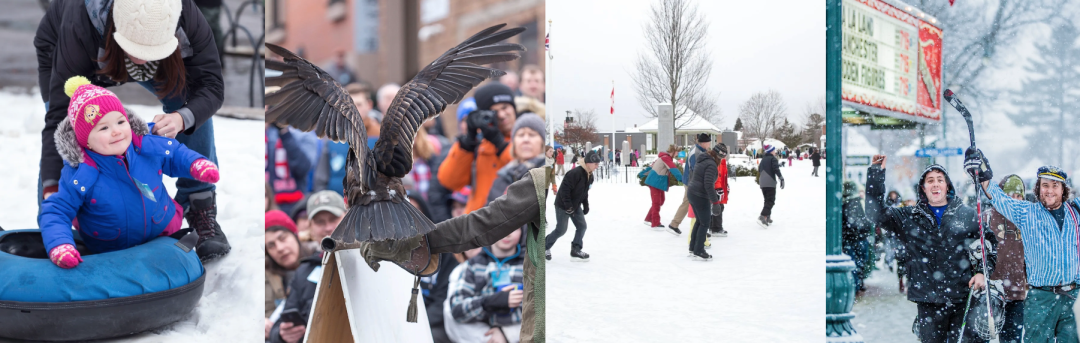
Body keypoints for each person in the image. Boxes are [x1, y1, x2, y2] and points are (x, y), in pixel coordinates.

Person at [35, 0, 229, 261]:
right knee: (73, 134)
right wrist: (51, 184)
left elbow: (210, 85)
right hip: (81, 52)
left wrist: (182, 119)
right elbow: (59, 118)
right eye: (139, 49)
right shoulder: (80, 24)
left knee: (190, 102)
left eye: (152, 49)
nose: (144, 57)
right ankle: (57, 234)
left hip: (158, 54)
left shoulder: (184, 14)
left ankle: (199, 205)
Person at [39, 77, 219, 269]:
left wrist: (196, 164)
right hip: (110, 251)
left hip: (163, 233)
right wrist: (60, 244)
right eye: (104, 127)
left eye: (120, 121)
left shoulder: (146, 145)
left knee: (178, 260)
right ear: (86, 141)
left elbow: (174, 153)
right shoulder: (81, 173)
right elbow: (57, 210)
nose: (116, 131)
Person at [865, 154, 992, 343]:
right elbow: (876, 213)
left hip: (963, 299)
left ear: (947, 186)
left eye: (940, 180)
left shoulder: (967, 215)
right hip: (928, 303)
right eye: (930, 180)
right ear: (923, 188)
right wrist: (876, 172)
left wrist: (982, 272)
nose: (935, 184)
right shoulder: (909, 217)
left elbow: (988, 243)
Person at [968, 150, 1080, 343]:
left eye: (1055, 186)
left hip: (1074, 296)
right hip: (1041, 297)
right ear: (1038, 188)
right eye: (1045, 185)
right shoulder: (1027, 213)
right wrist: (982, 171)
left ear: (1063, 189)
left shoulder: (1076, 212)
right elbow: (998, 197)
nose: (1050, 190)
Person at [438, 82, 518, 214]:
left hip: (512, 226)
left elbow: (525, 173)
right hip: (478, 225)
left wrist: (501, 145)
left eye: (505, 107)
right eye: (495, 111)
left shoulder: (527, 138)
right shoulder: (479, 146)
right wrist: (467, 144)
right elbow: (449, 181)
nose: (502, 115)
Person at [448, 228, 526, 341]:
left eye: (515, 228)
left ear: (522, 232)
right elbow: (457, 310)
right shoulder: (473, 265)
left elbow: (537, 312)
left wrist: (506, 334)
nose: (508, 233)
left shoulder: (529, 266)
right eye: (502, 225)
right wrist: (489, 302)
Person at [984, 174, 1027, 343]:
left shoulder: (1026, 219)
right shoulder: (987, 217)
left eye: (1018, 195)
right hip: (991, 292)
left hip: (1016, 293)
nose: (1014, 200)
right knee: (983, 336)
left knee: (1012, 339)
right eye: (1009, 195)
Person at [546, 151, 599, 261]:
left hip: (575, 204)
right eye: (596, 164)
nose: (597, 166)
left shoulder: (590, 175)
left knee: (582, 226)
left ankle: (576, 250)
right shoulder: (574, 173)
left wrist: (586, 204)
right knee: (561, 230)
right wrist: (568, 206)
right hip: (563, 205)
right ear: (588, 163)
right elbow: (564, 191)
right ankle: (543, 247)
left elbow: (584, 191)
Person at [487, 114, 548, 205]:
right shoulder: (502, 179)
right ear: (514, 143)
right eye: (521, 135)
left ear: (542, 142)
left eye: (532, 135)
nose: (526, 139)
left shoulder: (548, 175)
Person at [668, 134, 712, 235]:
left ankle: (675, 224)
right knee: (694, 203)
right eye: (709, 142)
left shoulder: (699, 150)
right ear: (704, 143)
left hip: (691, 181)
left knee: (690, 203)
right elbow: (697, 170)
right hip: (691, 182)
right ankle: (699, 228)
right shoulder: (697, 153)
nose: (710, 144)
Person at [686, 143, 721, 261]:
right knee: (705, 223)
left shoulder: (703, 159)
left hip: (692, 192)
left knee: (699, 221)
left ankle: (693, 248)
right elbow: (708, 185)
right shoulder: (711, 164)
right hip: (699, 195)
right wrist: (715, 203)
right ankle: (699, 250)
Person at [842, 181, 872, 293]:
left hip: (852, 239)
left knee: (854, 264)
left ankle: (855, 287)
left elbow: (851, 223)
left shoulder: (846, 204)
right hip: (859, 238)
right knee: (860, 263)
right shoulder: (858, 203)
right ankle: (857, 285)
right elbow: (864, 222)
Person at [643, 145, 684, 228]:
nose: (677, 153)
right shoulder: (666, 158)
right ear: (673, 151)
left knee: (661, 201)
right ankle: (655, 223)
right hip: (655, 182)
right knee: (657, 202)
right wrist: (682, 179)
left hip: (658, 182)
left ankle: (648, 218)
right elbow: (673, 169)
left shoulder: (666, 157)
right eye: (677, 152)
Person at [757, 145, 784, 227]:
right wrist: (781, 178)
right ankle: (762, 216)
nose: (775, 152)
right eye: (774, 150)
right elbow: (776, 169)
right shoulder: (773, 159)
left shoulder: (763, 159)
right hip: (770, 181)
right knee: (771, 200)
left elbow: (759, 170)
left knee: (766, 200)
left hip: (762, 182)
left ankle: (767, 217)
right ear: (770, 151)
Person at [710, 143, 730, 237]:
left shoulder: (722, 161)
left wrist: (726, 186)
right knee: (718, 206)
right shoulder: (716, 161)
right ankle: (716, 228)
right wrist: (718, 188)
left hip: (721, 186)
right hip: (716, 187)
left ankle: (712, 226)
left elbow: (723, 176)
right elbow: (716, 176)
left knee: (716, 206)